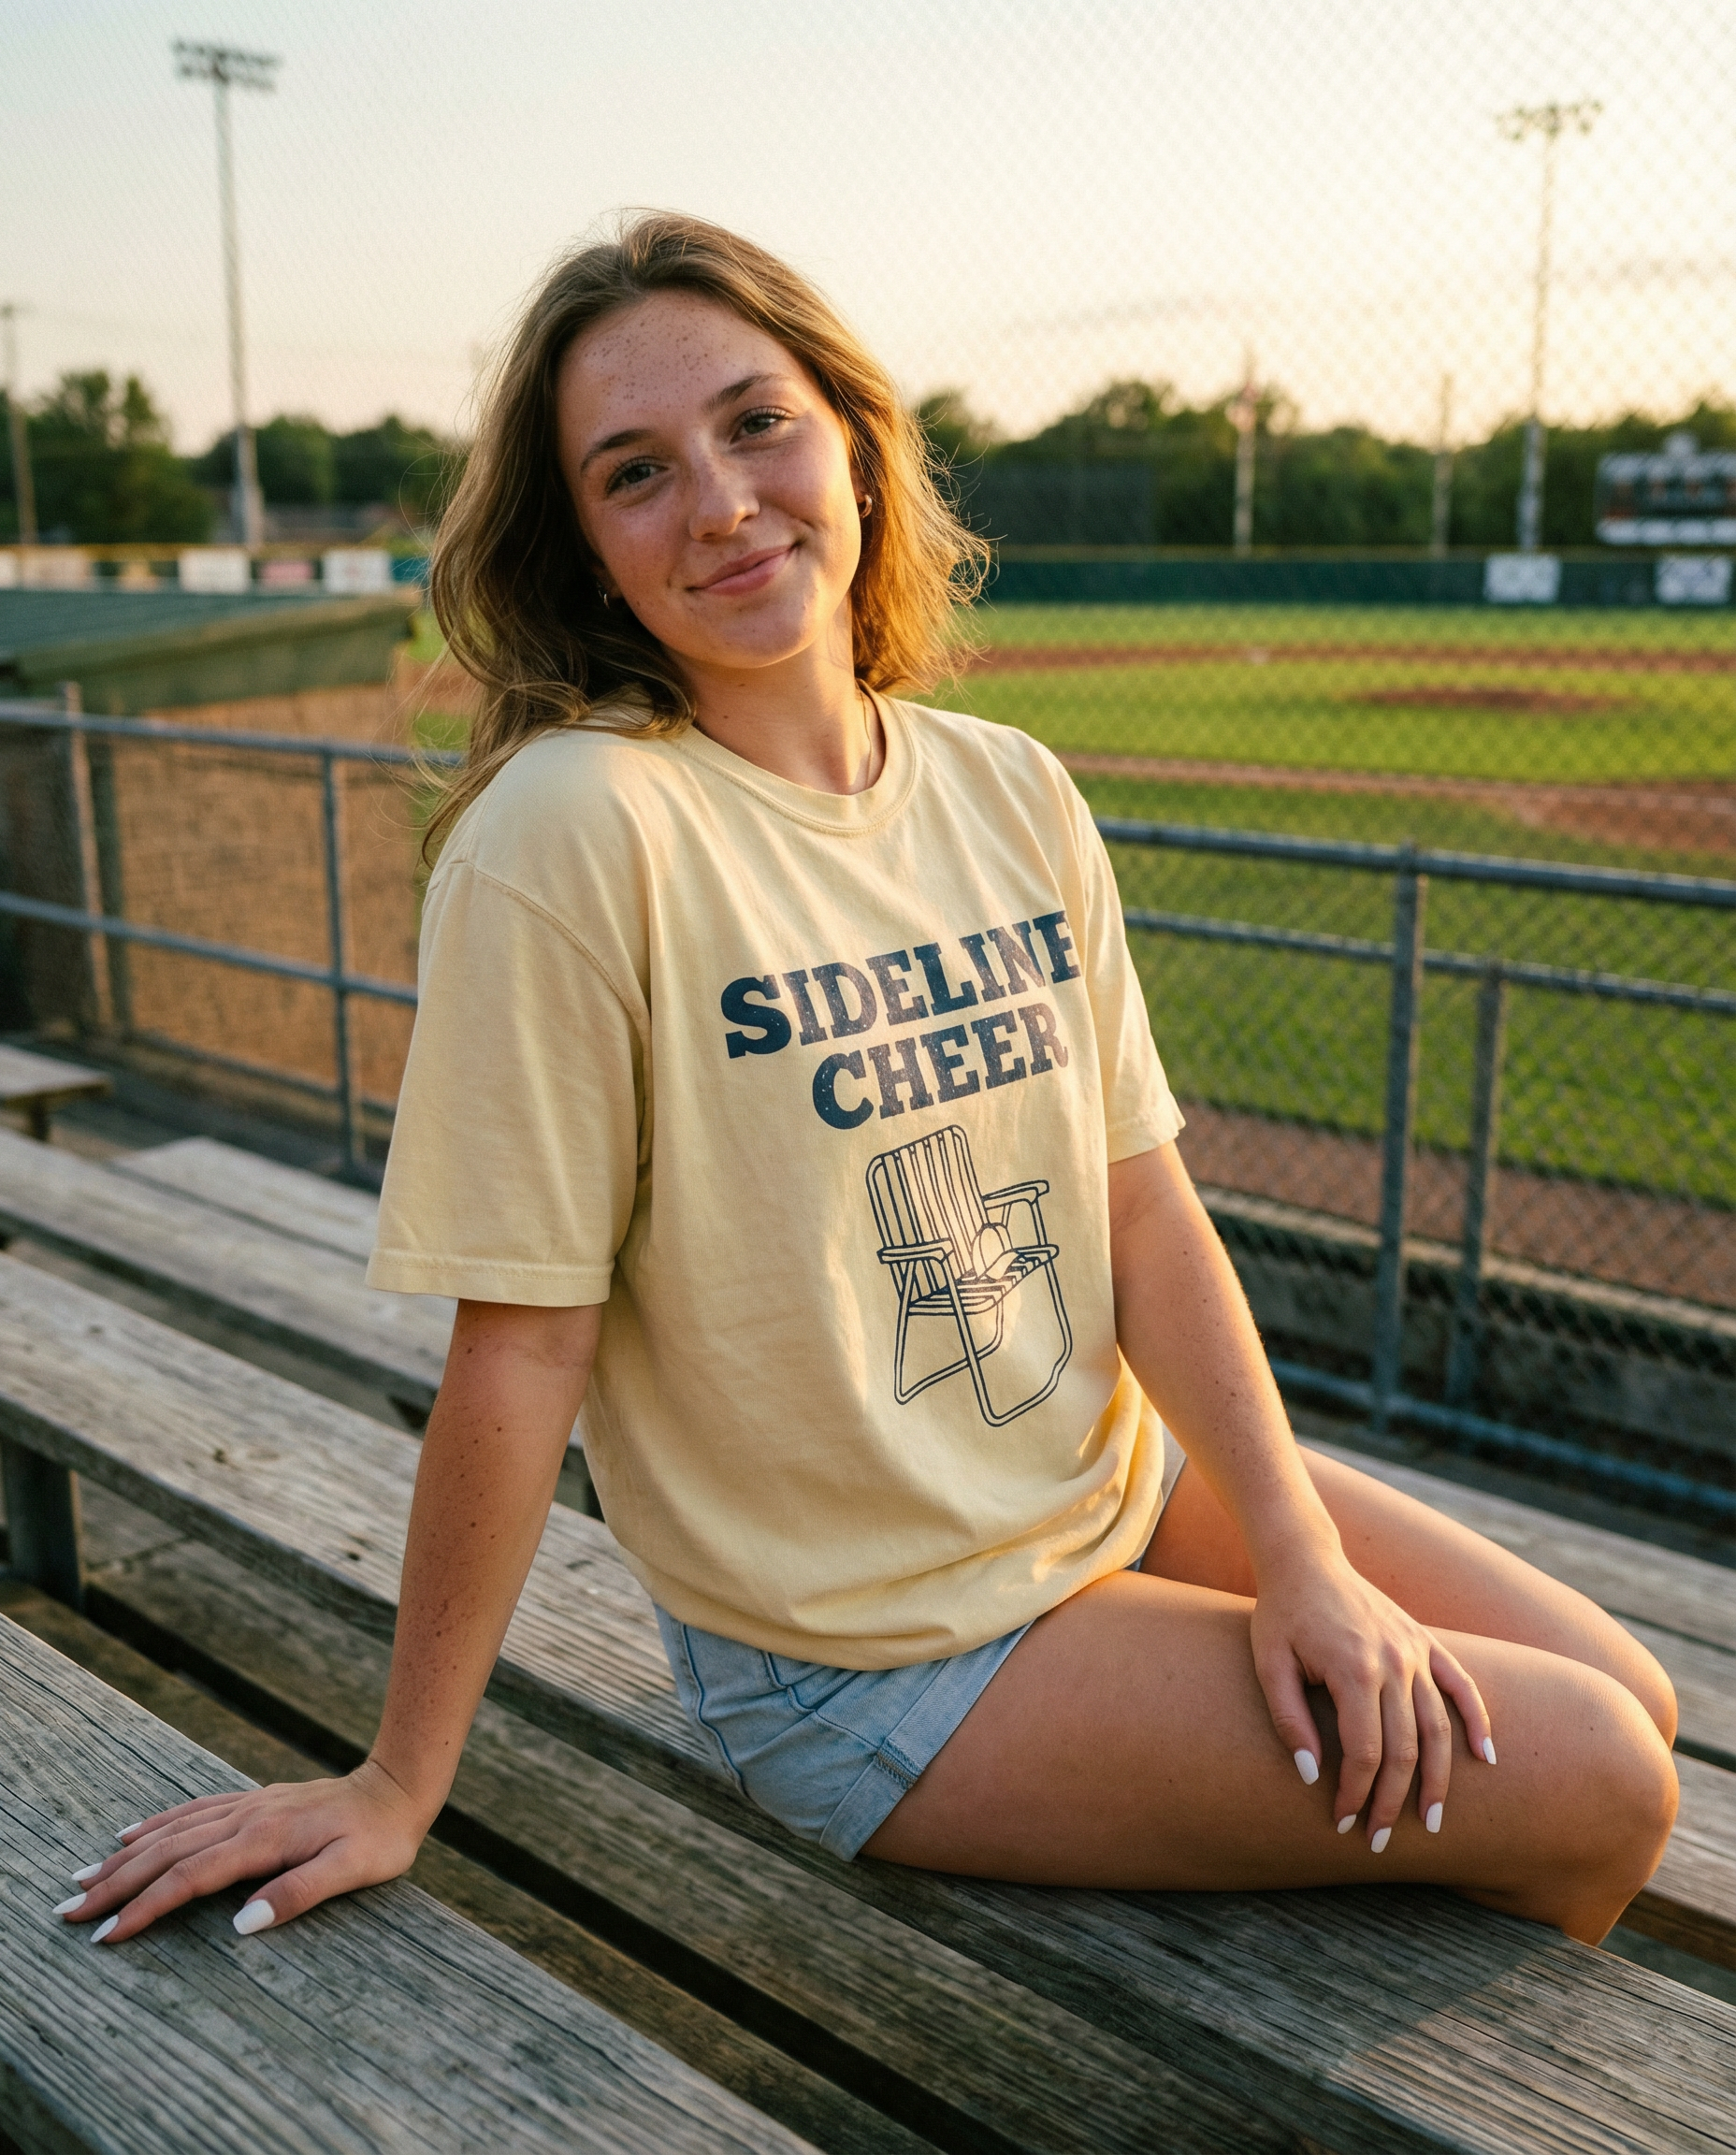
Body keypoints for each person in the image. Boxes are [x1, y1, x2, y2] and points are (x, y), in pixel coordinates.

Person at [56, 214, 1676, 1954]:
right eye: (636, 472)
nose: (725, 500)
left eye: (759, 423)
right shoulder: (577, 832)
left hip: (1105, 1494)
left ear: (853, 437)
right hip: (877, 1656)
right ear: (589, 550)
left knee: (1626, 1691)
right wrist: (396, 1781)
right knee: (1593, 1775)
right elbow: (520, 1347)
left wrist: (1296, 1554)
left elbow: (1139, 1199)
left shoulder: (1007, 788)